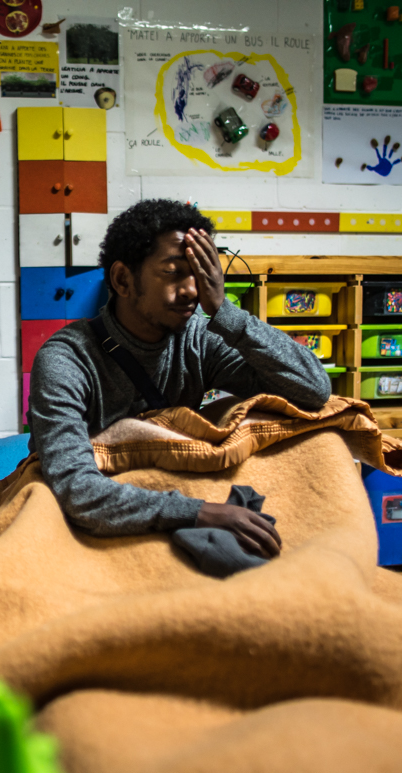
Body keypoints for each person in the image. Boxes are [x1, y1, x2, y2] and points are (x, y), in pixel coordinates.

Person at [27, 199, 332, 559]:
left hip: (166, 502)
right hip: (105, 516)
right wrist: (199, 513)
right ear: (123, 279)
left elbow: (313, 390)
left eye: (201, 274)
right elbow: (78, 490)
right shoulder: (66, 359)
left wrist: (225, 312)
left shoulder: (199, 340)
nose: (192, 291)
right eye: (173, 272)